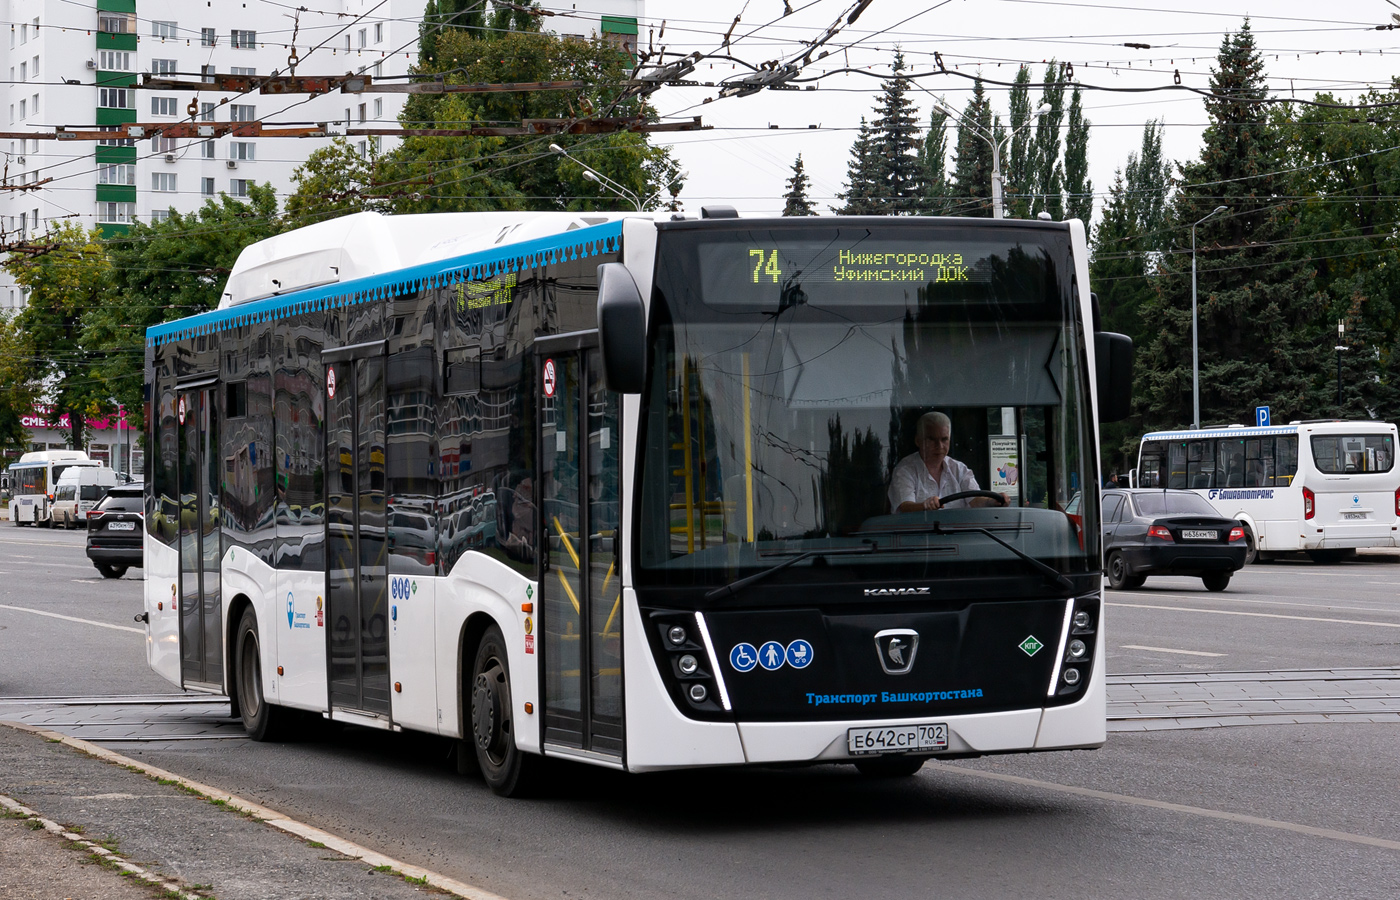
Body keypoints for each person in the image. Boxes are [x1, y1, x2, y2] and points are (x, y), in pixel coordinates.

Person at [888, 411, 1007, 512]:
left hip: (958, 536)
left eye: (944, 439)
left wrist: (992, 501)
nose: (939, 445)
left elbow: (975, 499)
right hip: (919, 537)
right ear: (918, 441)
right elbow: (904, 507)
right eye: (932, 439)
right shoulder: (905, 470)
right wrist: (924, 506)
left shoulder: (959, 469)